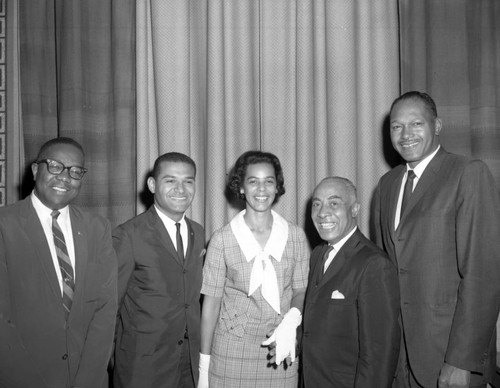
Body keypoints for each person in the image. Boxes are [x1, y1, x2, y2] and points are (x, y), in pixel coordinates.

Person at [374, 91, 500, 388]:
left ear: (438, 126)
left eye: (416, 124)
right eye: (396, 126)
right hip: (399, 358)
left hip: (450, 356)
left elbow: (483, 276)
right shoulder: (388, 184)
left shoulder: (467, 173)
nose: (406, 134)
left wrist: (461, 361)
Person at [0, 137, 117, 388]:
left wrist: (87, 381)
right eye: (55, 166)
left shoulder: (98, 228)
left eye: (76, 171)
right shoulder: (4, 225)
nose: (65, 177)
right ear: (35, 170)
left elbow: (104, 312)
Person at [198, 150, 309, 388]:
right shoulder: (222, 239)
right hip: (231, 351)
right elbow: (211, 306)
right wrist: (203, 367)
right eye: (253, 181)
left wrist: (292, 320)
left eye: (269, 181)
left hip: (280, 347)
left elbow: (301, 290)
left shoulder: (296, 236)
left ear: (277, 187)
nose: (262, 189)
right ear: (241, 188)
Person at [113, 152, 205, 388]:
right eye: (170, 180)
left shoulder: (199, 232)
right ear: (152, 185)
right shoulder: (128, 235)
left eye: (188, 181)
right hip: (142, 366)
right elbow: (109, 308)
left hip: (189, 364)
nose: (180, 189)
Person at [301, 177, 400, 387]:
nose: (322, 213)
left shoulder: (374, 264)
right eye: (316, 204)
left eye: (334, 204)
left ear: (354, 209)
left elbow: (379, 355)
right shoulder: (318, 254)